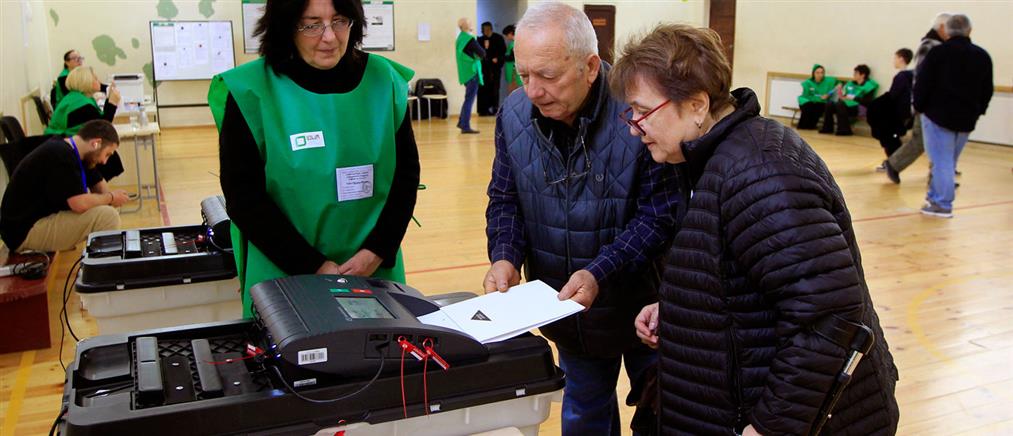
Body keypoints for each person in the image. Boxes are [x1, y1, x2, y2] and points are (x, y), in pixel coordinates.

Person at [610, 24, 899, 435]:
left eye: (642, 111)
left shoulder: (761, 173)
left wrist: (769, 426)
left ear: (696, 105)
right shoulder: (708, 158)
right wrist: (681, 308)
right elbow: (742, 275)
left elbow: (828, 319)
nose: (633, 126)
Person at [484, 3, 681, 435]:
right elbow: (505, 198)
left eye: (548, 76)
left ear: (591, 66)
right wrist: (504, 255)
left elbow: (660, 214)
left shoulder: (639, 110)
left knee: (666, 413)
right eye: (523, 75)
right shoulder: (514, 114)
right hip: (570, 309)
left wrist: (600, 271)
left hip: (650, 305)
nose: (533, 90)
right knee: (585, 415)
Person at [208, 0, 420, 317]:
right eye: (311, 24)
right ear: (286, 26)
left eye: (339, 21)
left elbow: (406, 176)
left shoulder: (383, 81)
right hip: (284, 271)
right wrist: (314, 265)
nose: (329, 37)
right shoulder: (251, 91)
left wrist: (376, 250)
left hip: (372, 270)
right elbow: (244, 197)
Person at [1, 120, 127, 253]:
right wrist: (111, 197)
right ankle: (101, 271)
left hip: (30, 225)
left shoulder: (76, 152)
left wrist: (110, 198)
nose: (104, 161)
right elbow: (78, 204)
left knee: (107, 208)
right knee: (108, 217)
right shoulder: (61, 155)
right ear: (96, 143)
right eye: (107, 154)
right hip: (24, 232)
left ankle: (96, 265)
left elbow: (101, 188)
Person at [914, 14, 992, 218]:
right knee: (948, 161)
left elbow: (923, 82)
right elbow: (987, 89)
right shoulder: (982, 56)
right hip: (966, 119)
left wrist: (919, 107)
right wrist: (978, 111)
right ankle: (933, 197)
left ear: (947, 31)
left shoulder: (938, 53)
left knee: (942, 162)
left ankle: (942, 204)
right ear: (970, 30)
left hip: (937, 116)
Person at [882, 12, 950, 184]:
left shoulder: (937, 45)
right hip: (928, 104)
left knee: (936, 142)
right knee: (922, 141)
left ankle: (939, 177)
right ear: (941, 27)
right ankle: (894, 164)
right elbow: (927, 77)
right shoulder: (931, 45)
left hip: (932, 103)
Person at [45, 65, 125, 182]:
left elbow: (98, 121)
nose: (99, 81)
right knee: (106, 150)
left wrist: (109, 100)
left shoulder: (76, 98)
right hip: (64, 151)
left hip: (60, 144)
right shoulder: (81, 105)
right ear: (86, 82)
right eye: (96, 79)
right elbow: (102, 129)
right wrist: (112, 103)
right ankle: (102, 193)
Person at [868, 48, 914, 164]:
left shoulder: (901, 77)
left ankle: (893, 162)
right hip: (905, 111)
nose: (894, 61)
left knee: (889, 136)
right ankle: (893, 161)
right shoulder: (911, 76)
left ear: (901, 59)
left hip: (898, 112)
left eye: (895, 58)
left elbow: (894, 96)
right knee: (893, 137)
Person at [819, 64, 878, 136]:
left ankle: (844, 129)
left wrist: (853, 98)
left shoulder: (869, 86)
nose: (854, 75)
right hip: (847, 104)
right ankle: (827, 128)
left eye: (856, 73)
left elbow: (867, 102)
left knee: (840, 105)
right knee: (830, 104)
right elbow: (844, 95)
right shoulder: (850, 84)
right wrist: (842, 95)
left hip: (860, 107)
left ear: (863, 75)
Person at [455, 17, 485, 134]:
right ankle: (465, 126)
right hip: (472, 73)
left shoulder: (460, 39)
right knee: (469, 100)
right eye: (471, 23)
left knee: (467, 99)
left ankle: (462, 122)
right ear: (467, 26)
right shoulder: (469, 39)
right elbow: (482, 53)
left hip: (465, 73)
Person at [477, 21, 506, 116]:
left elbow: (503, 51)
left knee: (495, 88)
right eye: (483, 30)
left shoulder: (498, 38)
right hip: (484, 68)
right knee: (484, 88)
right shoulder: (480, 39)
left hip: (495, 68)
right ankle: (484, 109)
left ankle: (495, 108)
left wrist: (498, 58)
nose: (484, 31)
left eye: (486, 29)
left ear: (490, 29)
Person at [796, 64, 836, 129]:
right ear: (813, 73)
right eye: (817, 73)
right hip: (808, 100)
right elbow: (806, 95)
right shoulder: (808, 82)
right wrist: (815, 98)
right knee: (808, 106)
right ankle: (802, 125)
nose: (820, 75)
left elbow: (838, 83)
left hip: (820, 101)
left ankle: (811, 125)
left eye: (822, 73)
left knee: (819, 106)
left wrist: (828, 94)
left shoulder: (828, 81)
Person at [502, 25, 522, 95]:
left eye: (506, 35)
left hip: (514, 73)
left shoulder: (516, 43)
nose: (505, 37)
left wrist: (502, 57)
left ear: (510, 33)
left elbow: (512, 58)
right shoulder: (513, 43)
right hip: (513, 72)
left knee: (513, 93)